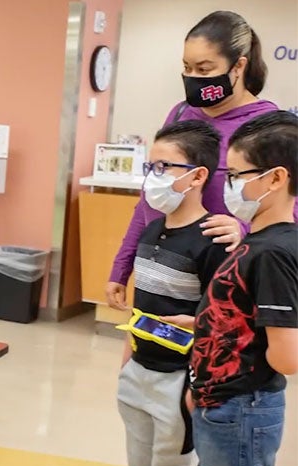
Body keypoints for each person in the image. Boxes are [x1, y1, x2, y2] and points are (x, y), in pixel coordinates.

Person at [106, 11, 298, 312]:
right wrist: (123, 266)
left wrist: (245, 230)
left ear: (238, 66)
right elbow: (149, 199)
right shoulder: (181, 114)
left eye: (205, 69)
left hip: (226, 280)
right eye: (187, 67)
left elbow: (290, 212)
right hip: (164, 274)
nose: (193, 77)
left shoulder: (268, 126)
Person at [117, 120, 228, 466]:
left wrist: (197, 387)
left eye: (164, 168)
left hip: (178, 382)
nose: (154, 178)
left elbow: (223, 322)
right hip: (137, 375)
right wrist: (127, 360)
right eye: (150, 167)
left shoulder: (213, 241)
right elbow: (141, 309)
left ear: (198, 175)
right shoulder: (151, 230)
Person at [190, 111, 298, 466]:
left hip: (242, 408)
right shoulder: (255, 241)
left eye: (237, 175)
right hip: (221, 403)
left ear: (275, 179)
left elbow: (286, 356)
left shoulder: (273, 253)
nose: (228, 186)